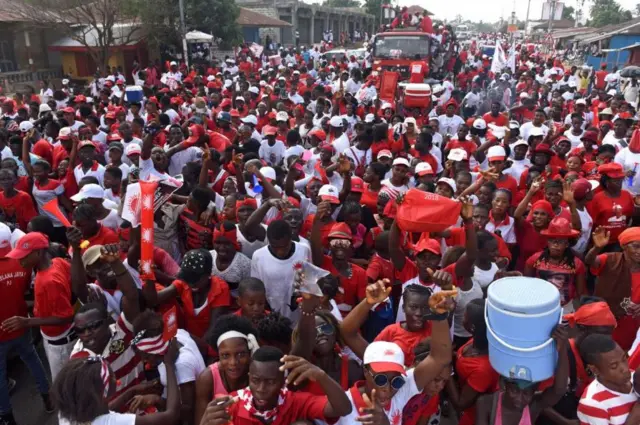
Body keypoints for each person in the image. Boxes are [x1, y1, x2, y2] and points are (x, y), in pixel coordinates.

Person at [198, 346, 352, 425]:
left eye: (270, 382)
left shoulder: (295, 401)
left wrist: (321, 376)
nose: (261, 389)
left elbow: (344, 409)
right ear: (249, 378)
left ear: (282, 382)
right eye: (256, 380)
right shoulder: (231, 403)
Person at [52, 339, 182, 425]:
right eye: (113, 377)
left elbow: (102, 410)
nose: (116, 380)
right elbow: (171, 415)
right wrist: (169, 364)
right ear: (104, 393)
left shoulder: (68, 413)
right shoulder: (115, 422)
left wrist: (132, 391)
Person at [1, 232, 75, 381]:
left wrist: (27, 322)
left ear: (39, 253)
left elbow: (67, 316)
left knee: (64, 384)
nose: (19, 259)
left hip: (59, 341)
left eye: (24, 255)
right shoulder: (58, 262)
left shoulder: (49, 281)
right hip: (55, 336)